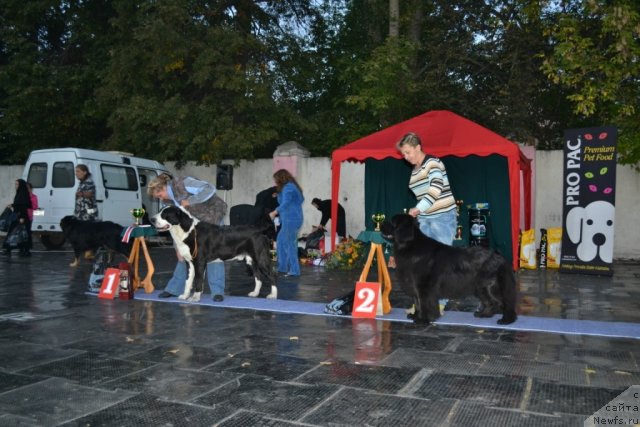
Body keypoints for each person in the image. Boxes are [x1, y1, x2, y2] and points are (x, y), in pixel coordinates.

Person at [148, 173, 228, 301]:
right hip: (191, 226)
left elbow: (210, 188)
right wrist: (177, 248)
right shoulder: (167, 203)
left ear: (162, 188)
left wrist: (189, 201)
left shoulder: (183, 183)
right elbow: (172, 225)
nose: (160, 199)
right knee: (184, 255)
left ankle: (217, 292)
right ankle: (174, 289)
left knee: (214, 255)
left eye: (159, 195)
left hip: (212, 216)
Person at [396, 132, 457, 245]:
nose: (406, 157)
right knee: (426, 261)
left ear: (418, 147)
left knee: (440, 259)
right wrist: (418, 211)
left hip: (442, 217)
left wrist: (418, 208)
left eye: (408, 152)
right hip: (424, 219)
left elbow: (436, 188)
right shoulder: (414, 171)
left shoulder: (432, 163)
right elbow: (422, 196)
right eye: (403, 154)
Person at [269, 169, 304, 277]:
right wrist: (278, 195)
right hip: (291, 219)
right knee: (281, 241)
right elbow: (300, 199)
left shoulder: (288, 187)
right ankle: (282, 267)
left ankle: (294, 270)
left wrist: (275, 212)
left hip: (291, 219)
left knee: (290, 244)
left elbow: (286, 203)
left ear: (281, 178)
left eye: (276, 180)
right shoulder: (290, 187)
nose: (275, 182)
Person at [2, 179, 32, 257]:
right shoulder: (20, 193)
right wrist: (12, 205)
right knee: (14, 232)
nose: (15, 186)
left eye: (17, 184)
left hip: (22, 217)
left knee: (23, 234)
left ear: (21, 185)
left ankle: (25, 250)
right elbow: (18, 204)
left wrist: (22, 217)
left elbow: (23, 206)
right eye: (15, 184)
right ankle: (9, 249)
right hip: (17, 216)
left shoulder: (22, 194)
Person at [26, 182, 38, 253]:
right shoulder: (22, 196)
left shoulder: (34, 197)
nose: (27, 190)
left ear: (31, 189)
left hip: (29, 217)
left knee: (28, 232)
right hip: (22, 217)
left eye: (28, 188)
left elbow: (35, 207)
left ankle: (27, 247)